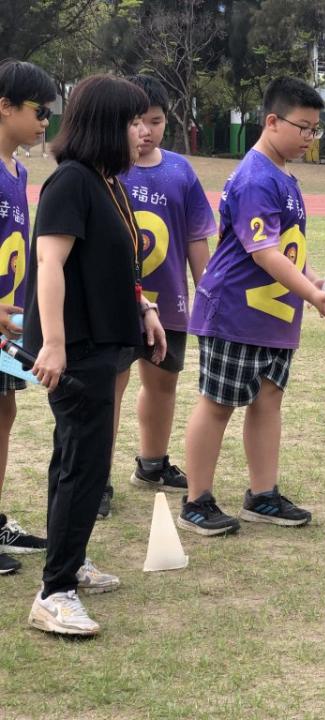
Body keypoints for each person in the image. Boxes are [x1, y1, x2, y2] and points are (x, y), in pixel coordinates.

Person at [24, 75, 166, 636]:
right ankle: (53, 592)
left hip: (107, 341)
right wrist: (54, 344)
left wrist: (144, 308)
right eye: (133, 122)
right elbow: (50, 266)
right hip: (77, 349)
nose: (143, 133)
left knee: (76, 460)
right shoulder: (72, 183)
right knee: (83, 465)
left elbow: (115, 266)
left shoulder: (109, 183)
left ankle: (70, 558)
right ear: (107, 125)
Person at [179, 77, 325, 537]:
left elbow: (289, 249)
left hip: (273, 316)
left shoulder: (284, 177)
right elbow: (263, 251)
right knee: (217, 404)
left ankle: (262, 495)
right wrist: (311, 294)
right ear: (272, 122)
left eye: (315, 130)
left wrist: (313, 282)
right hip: (234, 313)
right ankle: (197, 501)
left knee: (268, 400)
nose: (310, 138)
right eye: (303, 128)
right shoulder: (255, 176)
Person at [102, 75, 217, 520]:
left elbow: (195, 239)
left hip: (167, 300)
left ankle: (152, 465)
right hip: (115, 302)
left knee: (162, 381)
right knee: (110, 386)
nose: (146, 131)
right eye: (137, 122)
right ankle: (98, 478)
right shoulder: (108, 167)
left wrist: (206, 293)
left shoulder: (180, 171)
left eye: (155, 121)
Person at [0, 60, 56, 576]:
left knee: (4, 416)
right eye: (39, 112)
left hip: (8, 332)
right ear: (5, 106)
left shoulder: (20, 170)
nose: (46, 123)